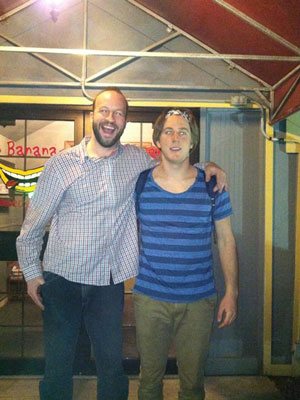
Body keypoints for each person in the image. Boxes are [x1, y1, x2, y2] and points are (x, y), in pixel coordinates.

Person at [16, 88, 227, 400]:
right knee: (58, 369)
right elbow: (32, 225)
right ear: (93, 114)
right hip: (63, 281)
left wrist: (208, 166)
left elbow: (175, 162)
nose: (110, 119)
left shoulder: (137, 161)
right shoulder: (60, 165)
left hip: (107, 283)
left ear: (125, 121)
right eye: (104, 111)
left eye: (118, 113)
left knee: (112, 370)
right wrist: (33, 273)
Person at [133, 108, 239, 400]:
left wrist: (232, 292)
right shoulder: (140, 185)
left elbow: (226, 239)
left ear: (193, 141)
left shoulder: (212, 185)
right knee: (149, 383)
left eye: (183, 132)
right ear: (158, 139)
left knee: (193, 386)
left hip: (199, 300)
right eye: (168, 131)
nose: (176, 137)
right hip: (150, 299)